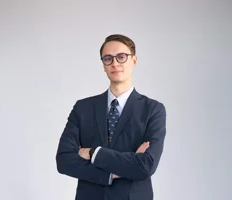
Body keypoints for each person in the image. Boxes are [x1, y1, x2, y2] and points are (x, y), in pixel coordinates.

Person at [55, 34, 167, 200]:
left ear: (134, 60)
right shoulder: (83, 108)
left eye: (121, 57)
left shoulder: (152, 109)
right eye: (108, 58)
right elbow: (64, 160)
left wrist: (94, 153)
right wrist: (113, 173)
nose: (115, 63)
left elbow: (146, 165)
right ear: (103, 65)